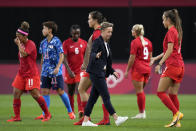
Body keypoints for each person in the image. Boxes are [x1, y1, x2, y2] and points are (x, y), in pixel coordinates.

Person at [82, 22, 128, 127]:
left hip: (100, 73)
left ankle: (85, 121)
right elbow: (92, 53)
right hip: (96, 73)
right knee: (106, 96)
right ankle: (116, 118)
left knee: (92, 99)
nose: (110, 33)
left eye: (111, 32)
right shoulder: (97, 41)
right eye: (108, 31)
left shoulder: (106, 43)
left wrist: (113, 71)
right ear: (102, 31)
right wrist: (96, 56)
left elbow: (106, 62)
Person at [7, 21, 51, 122]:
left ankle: (47, 114)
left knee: (35, 95)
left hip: (31, 74)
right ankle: (17, 117)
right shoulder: (21, 43)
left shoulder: (31, 44)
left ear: (24, 36)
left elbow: (24, 54)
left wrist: (18, 44)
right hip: (21, 74)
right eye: (16, 36)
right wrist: (19, 43)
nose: (17, 38)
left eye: (19, 36)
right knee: (16, 93)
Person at [74, 11, 110, 125]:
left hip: (94, 67)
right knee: (100, 92)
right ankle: (105, 119)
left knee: (81, 89)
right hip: (98, 67)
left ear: (95, 20)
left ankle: (87, 117)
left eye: (89, 18)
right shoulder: (98, 32)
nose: (88, 21)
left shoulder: (97, 33)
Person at [35, 21, 75, 120]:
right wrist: (41, 71)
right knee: (44, 92)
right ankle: (45, 114)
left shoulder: (56, 41)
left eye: (44, 28)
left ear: (49, 30)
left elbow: (61, 55)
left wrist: (57, 67)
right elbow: (42, 57)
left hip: (55, 72)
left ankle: (70, 111)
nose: (42, 30)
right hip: (45, 72)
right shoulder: (43, 43)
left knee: (60, 91)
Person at [151, 9, 184, 128]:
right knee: (173, 94)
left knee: (160, 92)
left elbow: (170, 51)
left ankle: (177, 113)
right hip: (180, 66)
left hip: (173, 66)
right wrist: (155, 58)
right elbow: (170, 50)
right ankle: (177, 122)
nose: (162, 22)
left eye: (163, 19)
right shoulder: (177, 31)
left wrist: (160, 63)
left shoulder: (170, 32)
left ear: (168, 19)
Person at [124, 24, 153, 119]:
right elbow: (150, 58)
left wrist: (127, 70)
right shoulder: (148, 42)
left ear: (135, 32)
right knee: (141, 91)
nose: (131, 31)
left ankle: (141, 113)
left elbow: (132, 58)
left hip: (138, 69)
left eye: (132, 30)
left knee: (139, 91)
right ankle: (142, 112)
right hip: (147, 69)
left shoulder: (135, 42)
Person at [63, 25, 87, 118]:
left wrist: (85, 66)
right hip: (70, 71)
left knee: (79, 89)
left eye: (78, 33)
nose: (76, 35)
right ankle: (71, 111)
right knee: (70, 91)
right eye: (74, 33)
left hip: (80, 71)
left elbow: (86, 56)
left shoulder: (84, 43)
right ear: (71, 33)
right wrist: (69, 71)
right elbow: (64, 58)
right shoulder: (66, 43)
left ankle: (81, 110)